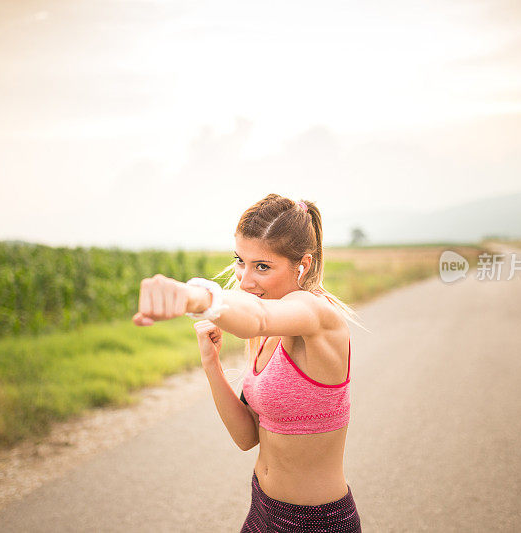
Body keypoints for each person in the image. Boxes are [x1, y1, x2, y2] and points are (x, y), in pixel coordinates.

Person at [133, 194, 365, 532]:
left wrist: (195, 296)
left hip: (315, 524)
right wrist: (211, 364)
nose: (244, 280)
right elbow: (247, 437)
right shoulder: (266, 329)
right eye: (240, 260)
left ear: (304, 264)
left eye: (263, 266)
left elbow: (255, 316)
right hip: (262, 509)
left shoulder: (316, 314)